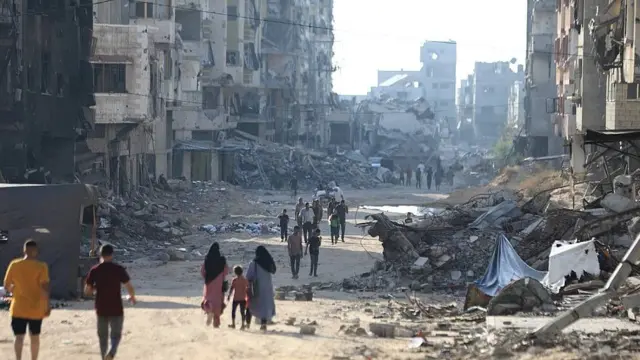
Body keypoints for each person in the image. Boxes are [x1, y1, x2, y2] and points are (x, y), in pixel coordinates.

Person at [85, 244, 136, 360]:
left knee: (103, 337)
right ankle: (112, 352)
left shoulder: (94, 270)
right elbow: (129, 286)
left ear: (100, 255)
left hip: (101, 307)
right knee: (116, 335)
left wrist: (96, 288)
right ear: (112, 255)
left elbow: (87, 291)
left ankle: (104, 356)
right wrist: (132, 297)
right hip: (116, 307)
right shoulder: (118, 269)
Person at [4, 240, 50, 360]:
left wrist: (13, 290)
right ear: (36, 251)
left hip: (18, 307)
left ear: (24, 250)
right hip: (36, 308)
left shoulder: (14, 264)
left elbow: (6, 285)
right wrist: (47, 305)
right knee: (34, 337)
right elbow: (45, 287)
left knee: (19, 337)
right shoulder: (41, 266)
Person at [246, 246, 276, 331]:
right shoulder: (268, 263)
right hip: (267, 288)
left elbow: (248, 276)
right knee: (265, 306)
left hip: (257, 288)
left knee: (251, 305)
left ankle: (247, 324)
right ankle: (263, 324)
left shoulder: (253, 263)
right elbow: (274, 270)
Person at [200, 243, 229, 329]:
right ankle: (216, 323)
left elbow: (202, 271)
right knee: (217, 301)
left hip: (209, 283)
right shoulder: (222, 260)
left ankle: (209, 311)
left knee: (208, 298)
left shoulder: (207, 259)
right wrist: (221, 276)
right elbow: (226, 271)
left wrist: (207, 277)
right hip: (219, 283)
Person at [226, 265, 249, 330]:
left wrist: (229, 296)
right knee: (242, 312)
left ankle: (233, 324)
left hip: (236, 298)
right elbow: (248, 287)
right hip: (243, 298)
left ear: (235, 272)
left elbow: (231, 289)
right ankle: (242, 325)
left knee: (233, 311)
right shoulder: (245, 280)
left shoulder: (234, 280)